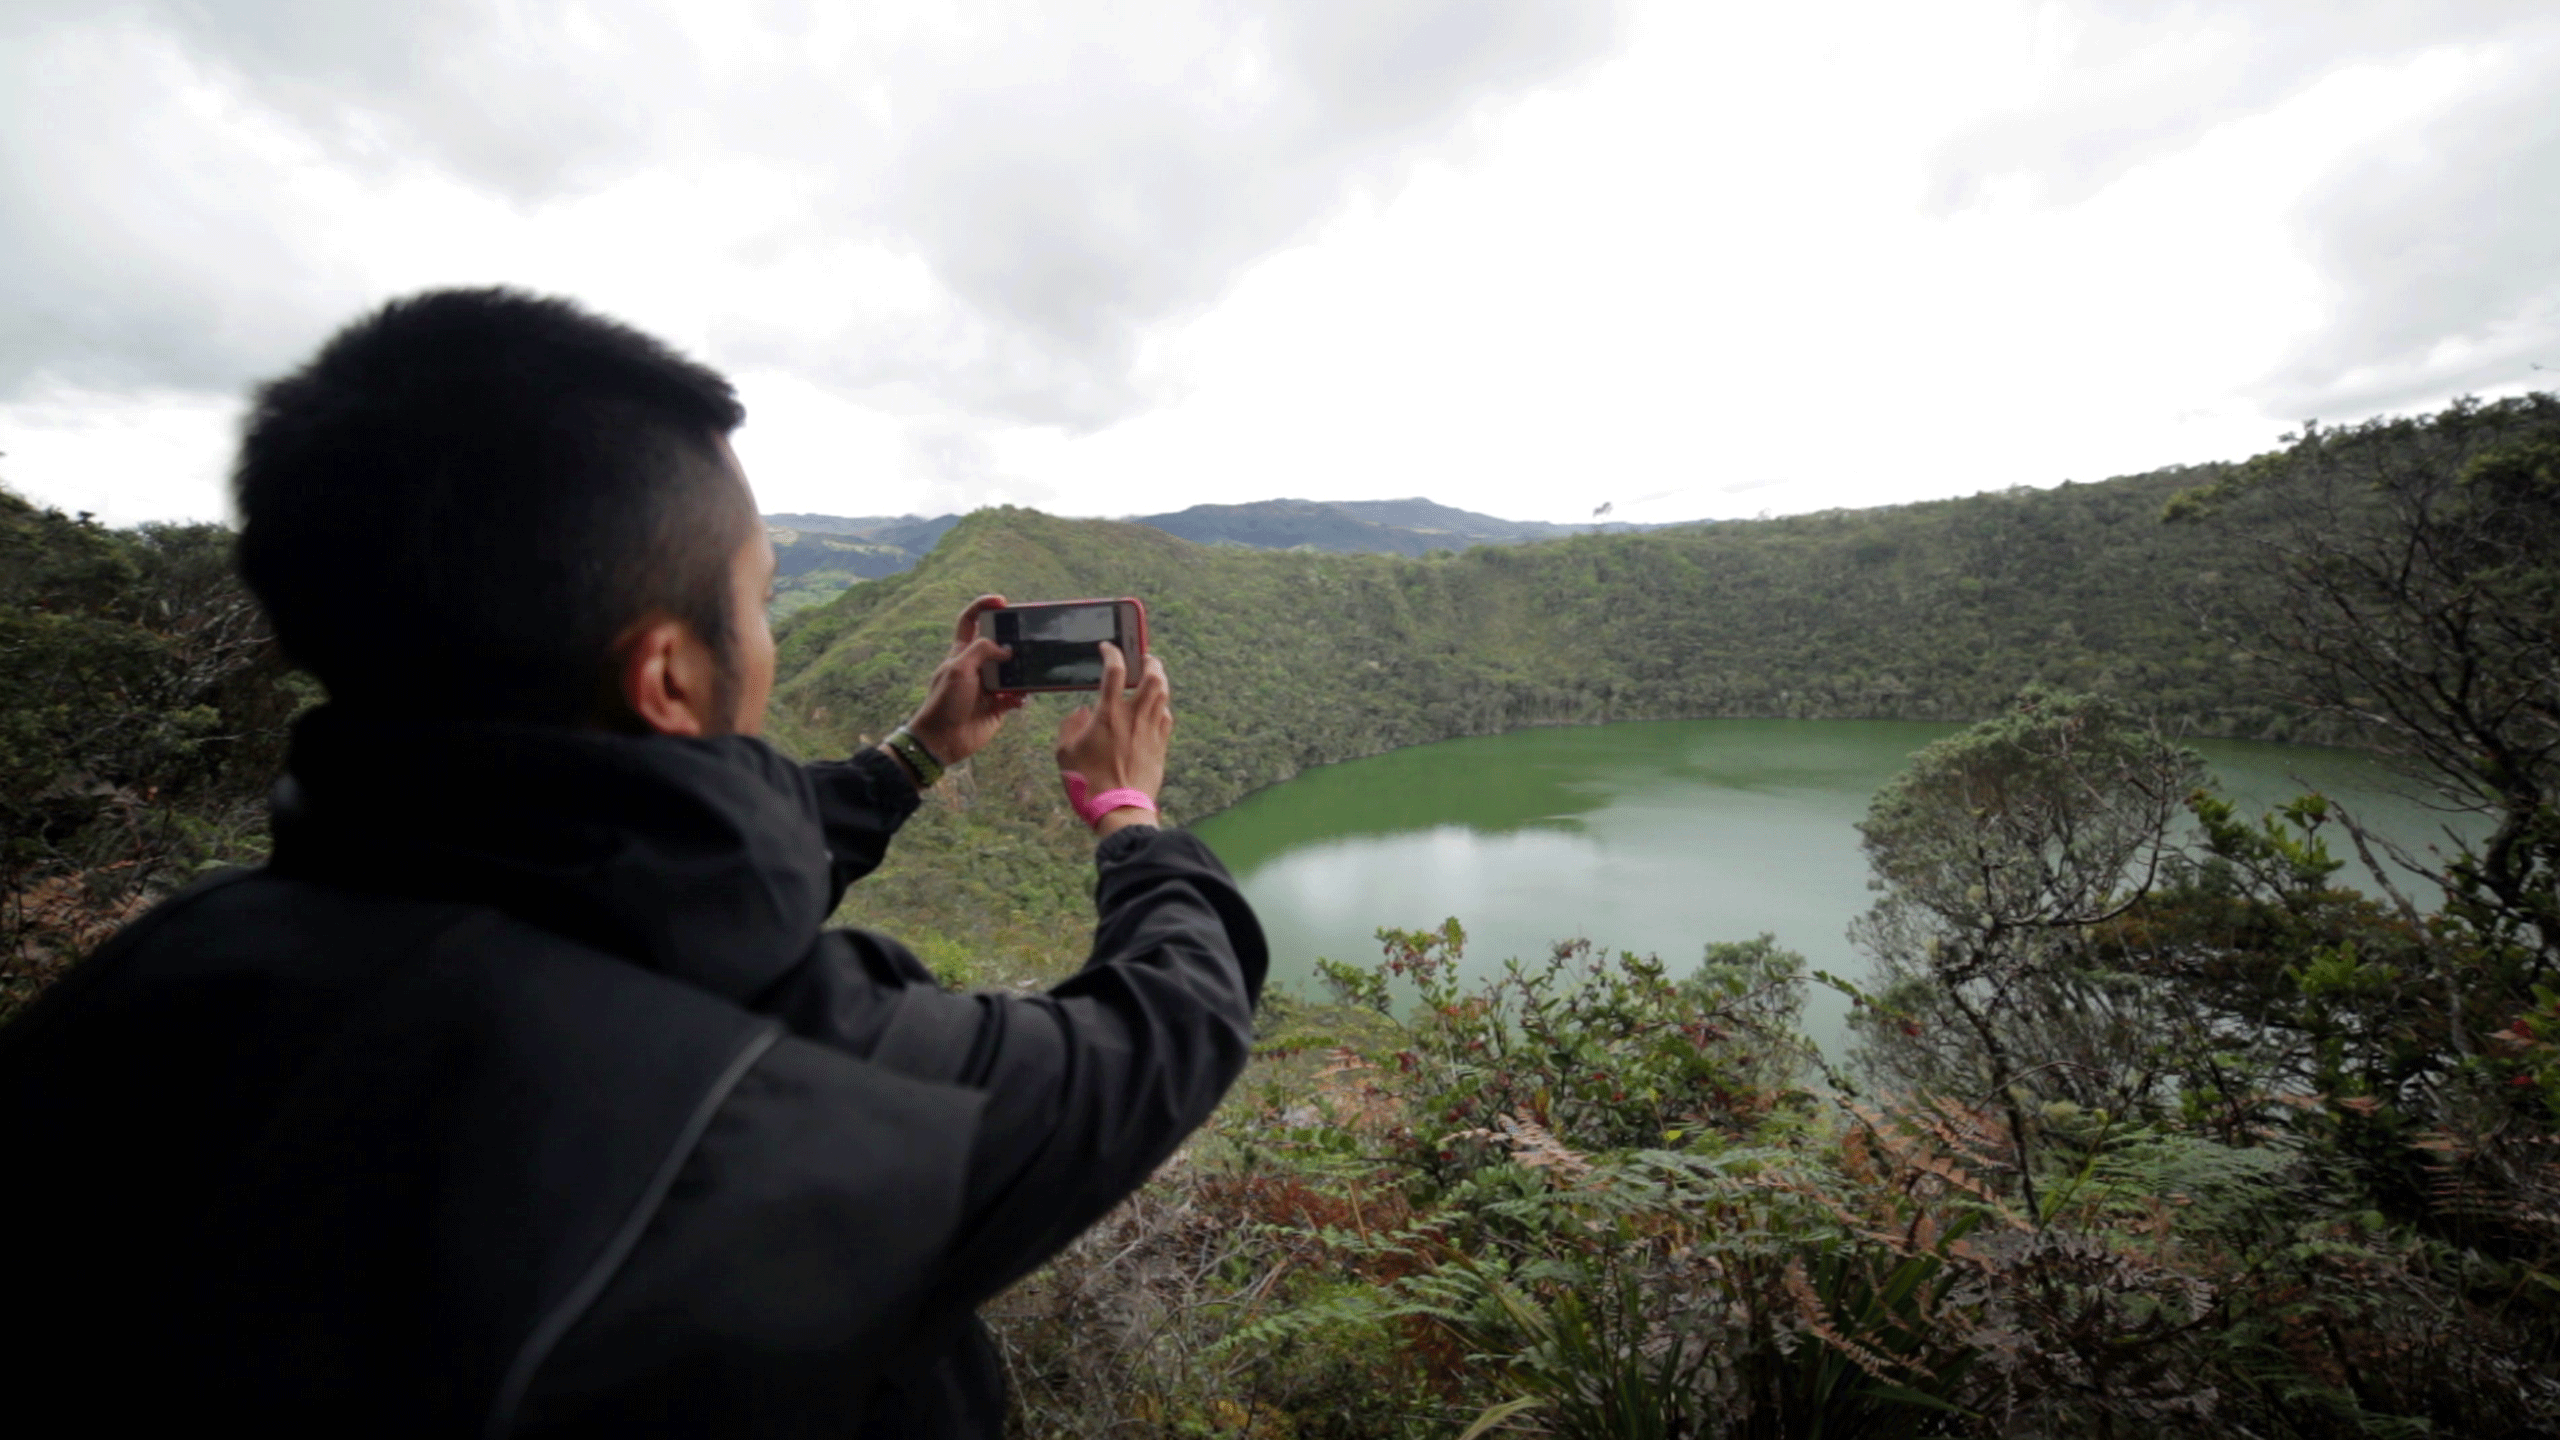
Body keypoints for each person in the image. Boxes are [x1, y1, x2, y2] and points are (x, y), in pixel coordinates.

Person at [0, 289, 1266, 1437]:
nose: (771, 639)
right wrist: (1123, 810)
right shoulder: (793, 1096)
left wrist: (914, 760)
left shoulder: (157, 974)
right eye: (762, 602)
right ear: (667, 672)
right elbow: (1165, 1034)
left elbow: (605, 872)